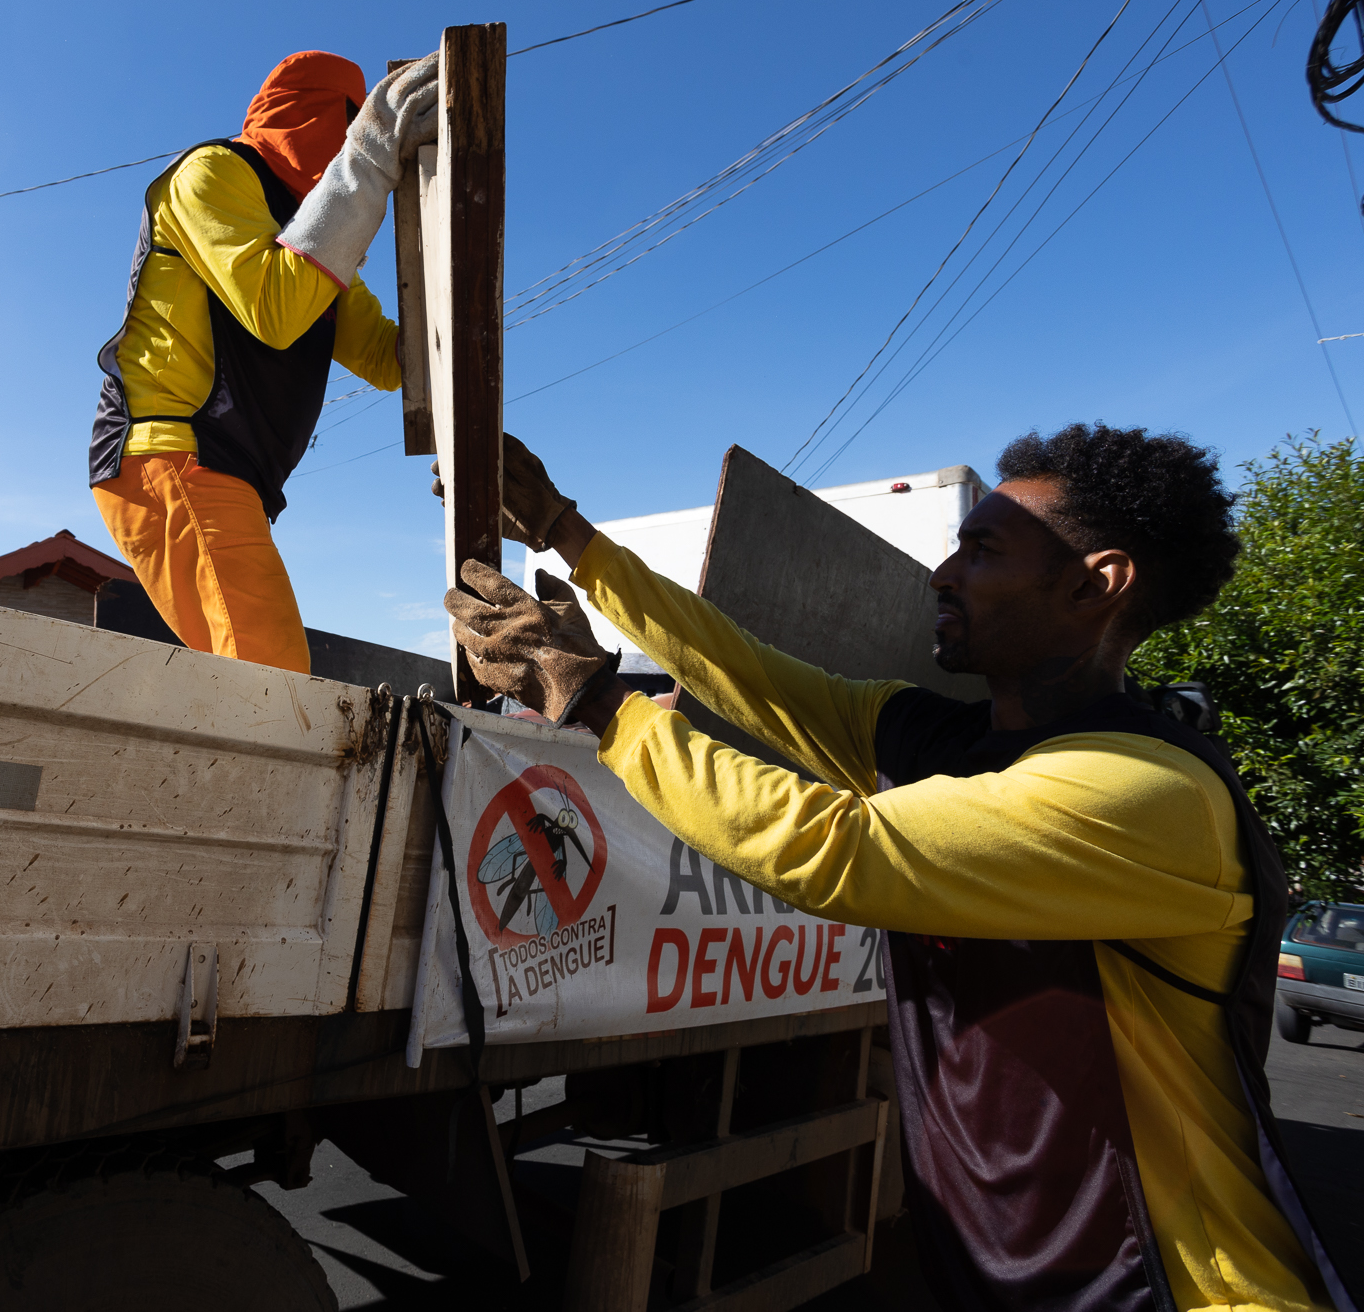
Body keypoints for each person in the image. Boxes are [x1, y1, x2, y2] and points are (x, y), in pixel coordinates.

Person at [441, 426, 1353, 1312]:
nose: (943, 574)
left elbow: (834, 847)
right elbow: (747, 674)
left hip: (1178, 1285)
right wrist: (568, 532)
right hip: (1027, 1269)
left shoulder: (1148, 790)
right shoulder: (953, 737)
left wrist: (594, 699)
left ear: (1096, 583)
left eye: (983, 552)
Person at [89, 51, 438, 672]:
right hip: (173, 455)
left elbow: (387, 360)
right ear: (322, 119)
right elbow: (275, 310)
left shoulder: (313, 233)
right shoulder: (212, 173)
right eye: (354, 127)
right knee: (273, 683)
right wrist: (372, 154)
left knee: (245, 686)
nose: (354, 149)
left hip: (222, 472)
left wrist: (456, 290)